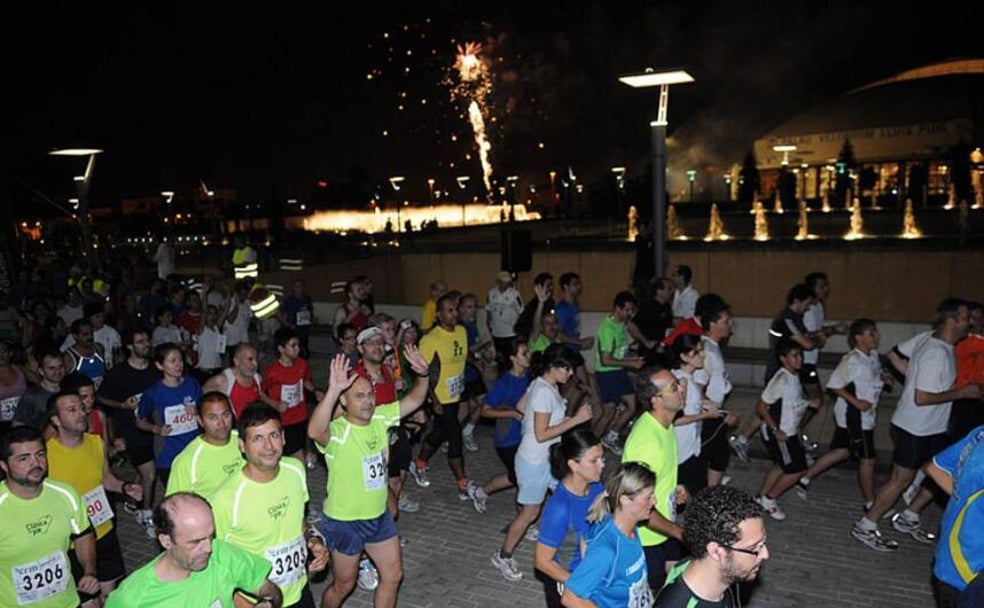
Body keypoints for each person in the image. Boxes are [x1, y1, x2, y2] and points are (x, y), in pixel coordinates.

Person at [307, 346, 431, 608]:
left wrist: (423, 375)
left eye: (370, 394)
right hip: (345, 523)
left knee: (394, 575)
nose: (368, 401)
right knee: (344, 585)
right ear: (344, 401)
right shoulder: (338, 430)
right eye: (359, 395)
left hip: (378, 517)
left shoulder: (380, 418)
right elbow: (315, 431)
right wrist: (332, 390)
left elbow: (415, 399)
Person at [853, 298, 980, 552]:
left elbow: (894, 354)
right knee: (901, 480)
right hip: (914, 428)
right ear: (952, 321)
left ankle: (909, 517)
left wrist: (912, 375)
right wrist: (962, 393)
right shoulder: (936, 354)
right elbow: (922, 397)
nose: (971, 323)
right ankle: (866, 525)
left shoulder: (929, 339)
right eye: (967, 318)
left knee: (938, 470)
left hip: (929, 428)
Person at [211, 403, 328, 608]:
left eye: (273, 435)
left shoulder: (295, 470)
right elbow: (214, 565)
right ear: (241, 445)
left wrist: (313, 540)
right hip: (257, 602)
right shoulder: (225, 499)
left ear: (283, 438)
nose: (268, 446)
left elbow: (297, 520)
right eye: (257, 438)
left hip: (299, 591)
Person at [492, 344, 593, 582]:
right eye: (567, 369)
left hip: (546, 459)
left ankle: (568, 540)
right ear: (554, 367)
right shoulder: (544, 392)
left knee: (564, 492)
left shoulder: (541, 384)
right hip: (534, 461)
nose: (570, 374)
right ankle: (503, 555)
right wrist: (575, 420)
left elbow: (520, 407)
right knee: (530, 512)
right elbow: (542, 433)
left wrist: (561, 419)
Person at [45, 390, 143, 606]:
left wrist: (125, 487)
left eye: (81, 407)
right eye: (72, 410)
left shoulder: (96, 443)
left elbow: (106, 478)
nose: (81, 413)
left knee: (111, 597)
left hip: (103, 530)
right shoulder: (45, 456)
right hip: (73, 543)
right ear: (56, 420)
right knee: (90, 603)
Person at [105, 492, 283, 608]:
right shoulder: (131, 598)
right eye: (195, 541)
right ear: (166, 540)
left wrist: (266, 604)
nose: (208, 548)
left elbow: (270, 591)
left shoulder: (221, 553)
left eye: (210, 536)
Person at [0, 426, 99, 608]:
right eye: (24, 459)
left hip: (68, 603)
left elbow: (84, 536)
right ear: (4, 465)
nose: (35, 463)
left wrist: (89, 571)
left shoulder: (65, 493)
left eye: (40, 454)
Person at [795, 319, 888, 511]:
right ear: (858, 338)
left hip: (865, 416)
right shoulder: (852, 360)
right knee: (868, 459)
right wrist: (857, 402)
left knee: (843, 451)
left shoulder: (872, 356)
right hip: (856, 418)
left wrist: (883, 379)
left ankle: (804, 477)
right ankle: (871, 503)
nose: (876, 336)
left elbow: (873, 376)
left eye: (875, 332)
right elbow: (834, 385)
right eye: (871, 333)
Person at [408, 294, 483, 506]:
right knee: (455, 437)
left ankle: (419, 463)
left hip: (456, 393)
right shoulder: (431, 339)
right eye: (449, 310)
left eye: (455, 309)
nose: (454, 313)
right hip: (439, 397)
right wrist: (433, 400)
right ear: (439, 315)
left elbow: (462, 353)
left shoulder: (461, 331)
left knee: (440, 433)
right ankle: (462, 485)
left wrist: (476, 362)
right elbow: (423, 373)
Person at [622, 367, 689, 591]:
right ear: (656, 401)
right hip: (647, 538)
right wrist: (679, 532)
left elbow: (657, 476)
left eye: (678, 383)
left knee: (673, 586)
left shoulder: (664, 425)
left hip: (664, 529)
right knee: (649, 595)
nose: (682, 389)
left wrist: (673, 487)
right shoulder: (647, 443)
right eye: (674, 387)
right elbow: (636, 505)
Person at [561, 462, 655, 608]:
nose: (654, 501)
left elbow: (586, 538)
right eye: (648, 497)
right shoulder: (606, 550)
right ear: (625, 500)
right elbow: (570, 597)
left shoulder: (628, 527)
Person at [655, 486, 769, 607]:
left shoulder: (724, 574)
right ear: (716, 551)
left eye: (762, 543)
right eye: (753, 548)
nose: (765, 554)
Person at [96, 327, 160, 535]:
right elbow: (102, 397)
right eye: (140, 341)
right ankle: (147, 513)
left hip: (154, 428)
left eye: (146, 340)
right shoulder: (118, 373)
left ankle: (134, 498)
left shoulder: (155, 370)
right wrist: (122, 406)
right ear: (130, 346)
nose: (146, 344)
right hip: (131, 430)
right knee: (149, 474)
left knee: (145, 471)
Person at [535, 429, 606, 608]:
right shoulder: (560, 508)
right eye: (594, 461)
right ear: (574, 465)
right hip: (569, 580)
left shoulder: (596, 486)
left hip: (593, 573)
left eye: (601, 458)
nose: (602, 465)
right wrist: (577, 582)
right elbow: (542, 562)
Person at [754, 338, 818, 521]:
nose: (799, 359)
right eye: (794, 356)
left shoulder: (793, 376)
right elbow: (761, 406)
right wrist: (776, 430)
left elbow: (790, 403)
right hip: (781, 434)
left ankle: (762, 496)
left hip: (790, 431)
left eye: (800, 355)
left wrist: (807, 404)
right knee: (796, 469)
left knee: (781, 465)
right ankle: (769, 499)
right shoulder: (781, 379)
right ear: (783, 359)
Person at [925, 426, 984, 607]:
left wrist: (966, 500)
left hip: (949, 562)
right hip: (971, 572)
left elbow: (935, 468)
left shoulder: (979, 433)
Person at [472, 338, 532, 513]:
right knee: (522, 479)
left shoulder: (527, 377)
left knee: (516, 476)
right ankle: (524, 520)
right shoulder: (504, 383)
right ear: (513, 358)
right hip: (507, 439)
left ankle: (481, 492)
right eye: (524, 353)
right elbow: (485, 410)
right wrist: (512, 413)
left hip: (522, 436)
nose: (528, 356)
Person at [135, 343, 203, 492]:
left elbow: (205, 413)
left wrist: (197, 411)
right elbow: (139, 421)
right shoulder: (153, 393)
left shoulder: (192, 384)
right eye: (172, 361)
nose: (178, 364)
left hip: (195, 450)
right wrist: (156, 429)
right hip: (168, 455)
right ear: (160, 365)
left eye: (180, 359)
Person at [165, 392, 244, 500]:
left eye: (226, 415)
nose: (221, 423)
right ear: (200, 421)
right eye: (213, 418)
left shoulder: (244, 440)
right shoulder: (187, 461)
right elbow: (174, 505)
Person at [669, 334, 721, 498]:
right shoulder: (681, 382)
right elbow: (675, 419)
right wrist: (705, 416)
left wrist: (706, 405)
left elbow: (690, 406)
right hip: (682, 450)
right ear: (683, 357)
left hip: (691, 448)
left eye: (701, 351)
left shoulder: (686, 379)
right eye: (696, 352)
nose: (702, 355)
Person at [594, 291, 645, 455]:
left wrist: (631, 358)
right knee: (608, 412)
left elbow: (622, 348)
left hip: (619, 372)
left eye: (632, 310)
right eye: (627, 310)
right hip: (607, 374)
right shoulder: (607, 329)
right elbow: (606, 360)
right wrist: (631, 362)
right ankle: (589, 444)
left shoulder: (621, 323)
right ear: (618, 308)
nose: (630, 314)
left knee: (632, 406)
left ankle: (611, 437)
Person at [263, 328, 323, 462]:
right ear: (281, 349)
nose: (297, 349)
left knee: (299, 450)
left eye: (298, 345)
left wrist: (315, 391)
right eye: (293, 345)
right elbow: (261, 393)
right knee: (298, 456)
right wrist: (275, 404)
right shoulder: (272, 372)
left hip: (301, 416)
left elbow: (306, 380)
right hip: (284, 420)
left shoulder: (302, 364)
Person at [204, 343, 279, 418]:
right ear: (237, 361)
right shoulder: (223, 380)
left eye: (256, 359)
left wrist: (275, 404)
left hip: (252, 426)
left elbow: (260, 395)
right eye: (250, 359)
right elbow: (200, 399)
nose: (255, 364)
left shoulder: (257, 378)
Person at [12, 349, 65, 434]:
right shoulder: (31, 396)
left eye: (60, 366)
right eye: (52, 368)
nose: (58, 371)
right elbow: (18, 428)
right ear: (41, 371)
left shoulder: (70, 391)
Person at [487, 271, 523, 373]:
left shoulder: (515, 294)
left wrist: (519, 330)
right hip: (497, 333)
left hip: (510, 333)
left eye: (508, 282)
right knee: (500, 359)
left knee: (510, 359)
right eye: (504, 282)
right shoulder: (491, 293)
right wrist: (489, 325)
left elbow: (521, 311)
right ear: (498, 282)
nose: (506, 284)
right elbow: (489, 309)